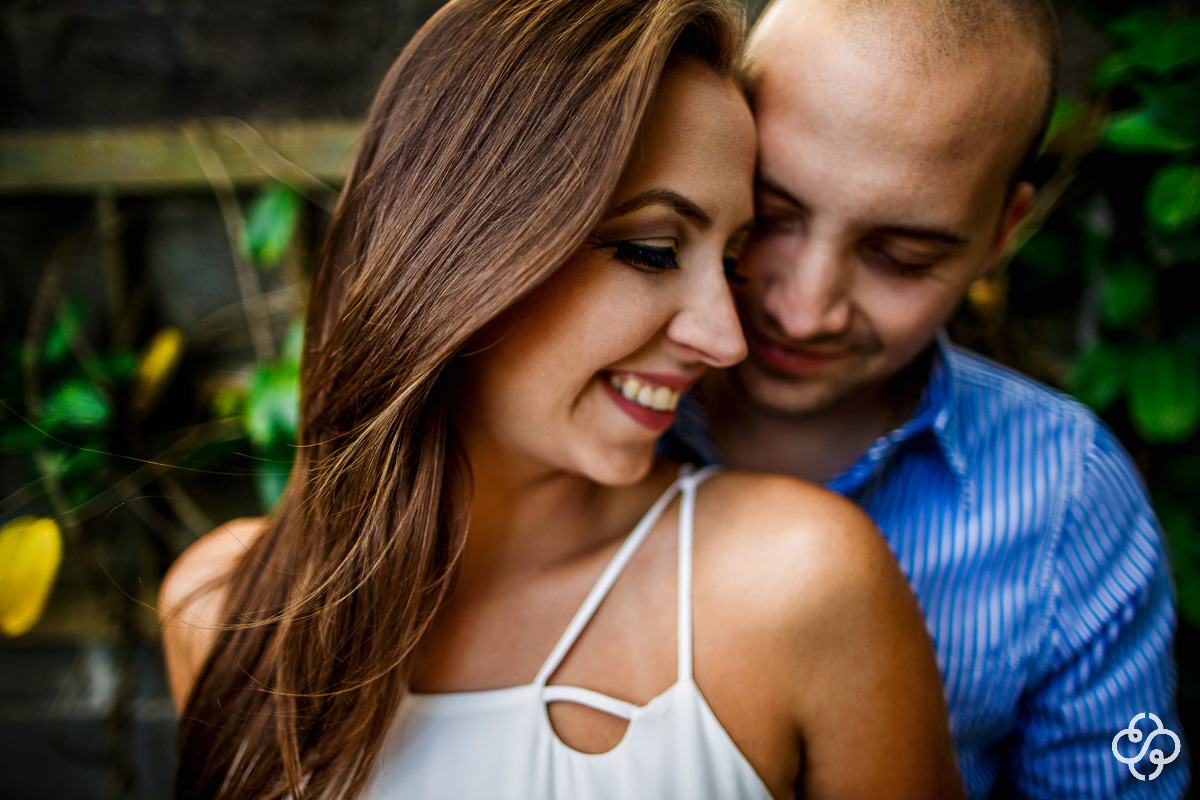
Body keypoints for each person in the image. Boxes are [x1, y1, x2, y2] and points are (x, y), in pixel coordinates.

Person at [157, 0, 964, 798]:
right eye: (653, 251)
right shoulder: (223, 612)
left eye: (734, 262)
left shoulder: (798, 583)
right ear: (462, 248)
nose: (726, 339)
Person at [668, 0, 1190, 796]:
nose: (804, 309)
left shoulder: (1069, 502)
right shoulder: (583, 417)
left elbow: (1134, 770)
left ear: (1000, 234)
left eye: (901, 258)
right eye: (769, 216)